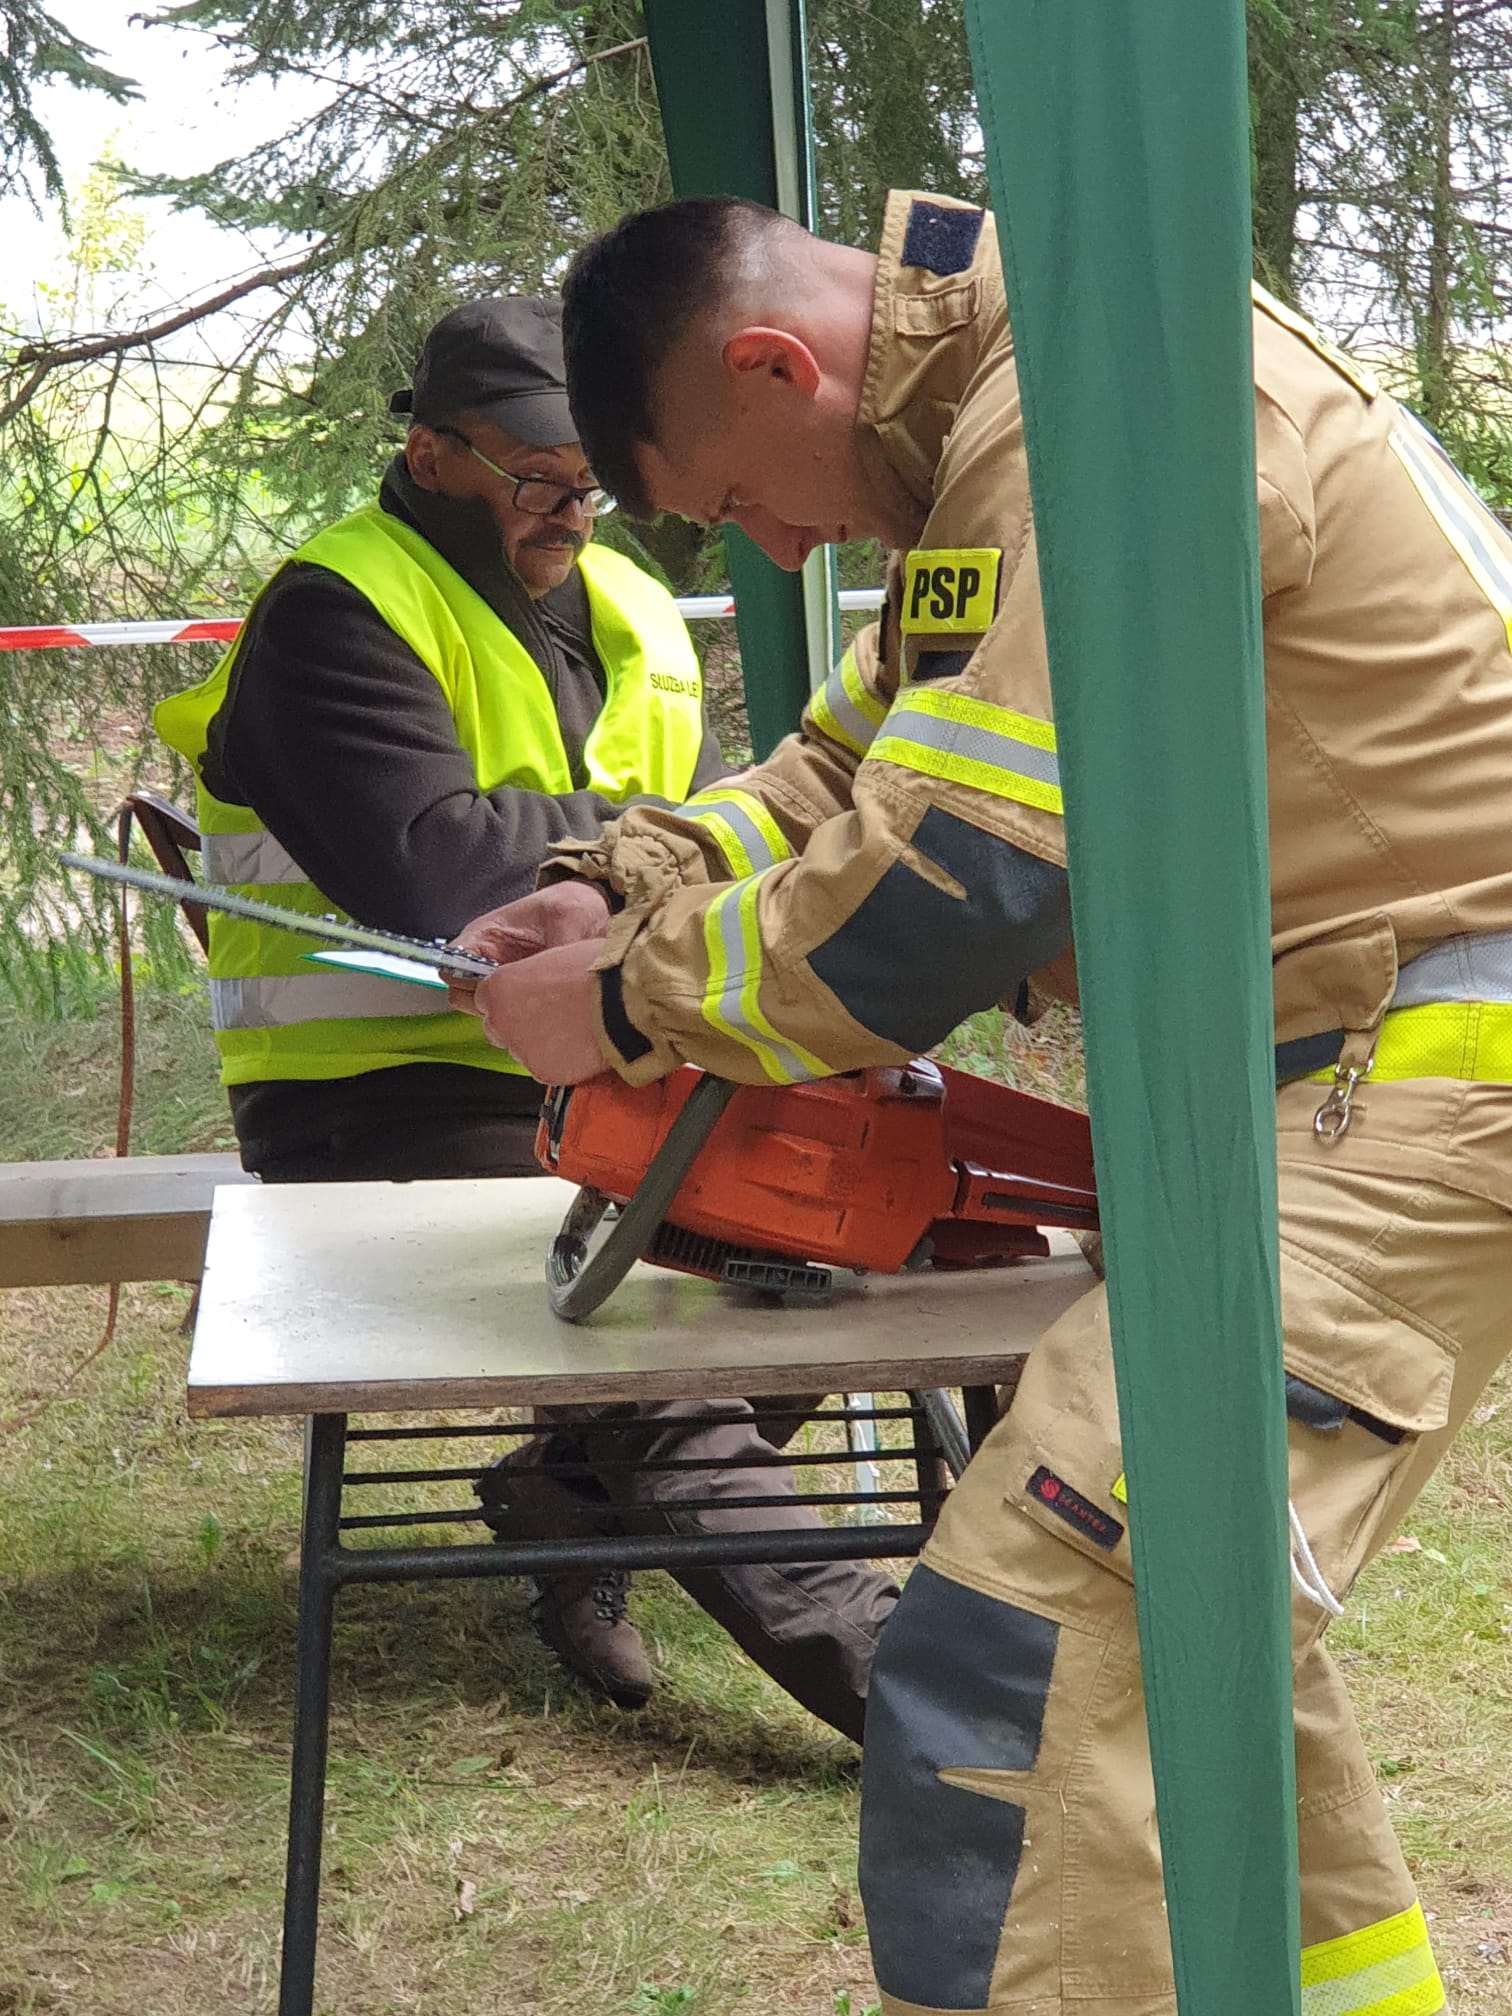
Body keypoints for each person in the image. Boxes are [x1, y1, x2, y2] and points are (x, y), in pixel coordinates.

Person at [451, 193, 1512, 2016]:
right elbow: (851, 766)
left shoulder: (1085, 404)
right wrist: (625, 879)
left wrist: (624, 1002)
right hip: (1358, 1073)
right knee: (1186, 1620)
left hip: (1424, 1069)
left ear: (774, 364)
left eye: (742, 500)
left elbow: (954, 891)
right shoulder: (1009, 424)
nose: (778, 546)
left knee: (1032, 1624)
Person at [154, 295, 899, 1740]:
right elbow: (439, 873)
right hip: (384, 1098)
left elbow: (717, 837)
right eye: (534, 477)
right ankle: (920, 1697)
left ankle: (566, 1495)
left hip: (614, 1052)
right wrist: (672, 841)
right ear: (430, 454)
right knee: (657, 1309)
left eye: (591, 479)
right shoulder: (335, 611)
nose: (570, 507)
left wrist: (673, 851)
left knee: (821, 1230)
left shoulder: (627, 606)